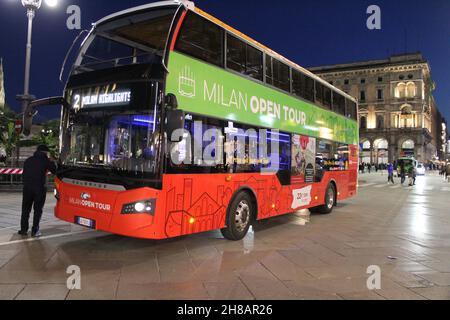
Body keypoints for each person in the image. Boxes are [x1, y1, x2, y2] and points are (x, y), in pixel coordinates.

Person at [18, 145, 57, 237]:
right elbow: (55, 170)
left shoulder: (28, 160)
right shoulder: (46, 161)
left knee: (25, 209)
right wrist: (51, 161)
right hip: (39, 188)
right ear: (45, 152)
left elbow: (24, 175)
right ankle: (35, 231)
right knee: (37, 210)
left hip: (27, 188)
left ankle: (23, 230)